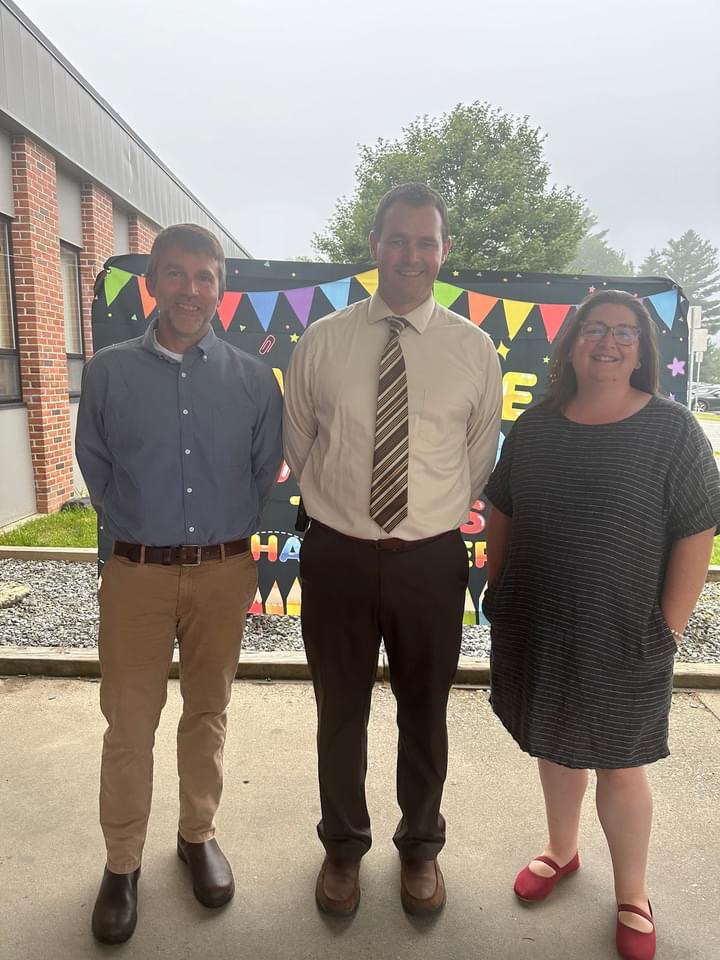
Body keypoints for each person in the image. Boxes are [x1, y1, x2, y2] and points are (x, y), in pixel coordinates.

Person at [283, 182, 502, 917]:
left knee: (425, 711)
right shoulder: (324, 340)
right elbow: (302, 442)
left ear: (443, 251)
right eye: (399, 239)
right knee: (338, 711)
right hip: (338, 554)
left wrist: (424, 520)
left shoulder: (473, 350)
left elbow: (475, 461)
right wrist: (345, 516)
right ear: (375, 246)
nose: (413, 254)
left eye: (427, 241)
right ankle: (342, 849)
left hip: (429, 560)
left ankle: (420, 849)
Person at [483, 289, 720, 960]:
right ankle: (562, 851)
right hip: (539, 624)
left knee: (620, 762)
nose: (608, 342)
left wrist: (668, 627)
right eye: (595, 330)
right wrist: (502, 593)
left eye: (624, 332)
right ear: (573, 345)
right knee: (553, 746)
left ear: (643, 350)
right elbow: (501, 509)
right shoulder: (536, 425)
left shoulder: (671, 431)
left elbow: (697, 530)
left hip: (625, 632)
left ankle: (633, 892)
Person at [76, 223, 283, 944]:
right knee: (128, 725)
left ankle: (197, 835)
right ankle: (121, 862)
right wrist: (146, 523)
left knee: (208, 711)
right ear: (152, 284)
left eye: (204, 275)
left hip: (225, 572)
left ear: (220, 287)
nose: (190, 289)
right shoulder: (107, 372)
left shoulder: (255, 381)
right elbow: (96, 467)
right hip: (135, 573)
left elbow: (264, 475)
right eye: (176, 274)